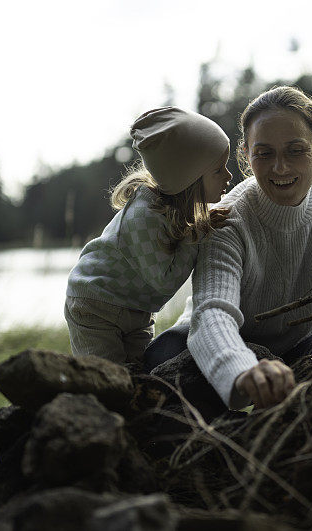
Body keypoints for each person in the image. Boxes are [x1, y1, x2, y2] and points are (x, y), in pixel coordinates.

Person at [144, 86, 312, 409]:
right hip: (216, 341)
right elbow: (212, 313)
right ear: (246, 156)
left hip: (305, 344)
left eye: (295, 150)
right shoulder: (227, 220)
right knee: (163, 366)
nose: (280, 168)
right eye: (264, 153)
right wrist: (243, 370)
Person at [65, 106, 233, 367]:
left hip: (135, 310)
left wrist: (197, 230)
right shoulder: (145, 217)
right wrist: (197, 234)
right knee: (103, 379)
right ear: (187, 176)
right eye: (218, 170)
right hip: (96, 306)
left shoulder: (171, 210)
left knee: (141, 377)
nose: (229, 177)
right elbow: (164, 282)